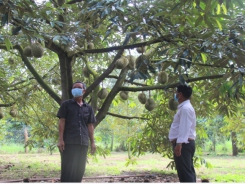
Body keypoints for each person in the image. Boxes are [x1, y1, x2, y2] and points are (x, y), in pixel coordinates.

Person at [57, 81, 96, 182]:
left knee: (80, 170)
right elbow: (62, 121)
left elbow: (90, 125)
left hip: (83, 142)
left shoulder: (88, 108)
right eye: (74, 88)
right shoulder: (66, 105)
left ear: (84, 90)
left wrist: (92, 142)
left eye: (78, 87)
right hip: (69, 142)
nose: (76, 89)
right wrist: (60, 140)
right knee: (68, 169)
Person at [168, 84, 196, 182]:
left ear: (179, 94)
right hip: (185, 143)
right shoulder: (185, 107)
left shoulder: (185, 108)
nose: (175, 95)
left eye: (176, 93)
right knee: (187, 172)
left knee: (185, 174)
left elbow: (184, 128)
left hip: (184, 144)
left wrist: (179, 144)